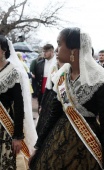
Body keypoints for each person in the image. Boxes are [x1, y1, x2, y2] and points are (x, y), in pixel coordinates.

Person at [29, 27, 104, 170]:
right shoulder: (62, 75)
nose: (56, 50)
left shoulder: (99, 78)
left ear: (73, 50)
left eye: (59, 44)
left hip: (85, 146)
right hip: (56, 141)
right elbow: (54, 114)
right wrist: (39, 146)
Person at [0, 35, 37, 169]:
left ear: (4, 49)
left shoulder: (13, 72)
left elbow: (19, 106)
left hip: (4, 125)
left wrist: (17, 136)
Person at [36, 59, 63, 136]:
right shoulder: (53, 67)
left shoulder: (68, 68)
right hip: (50, 98)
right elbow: (47, 87)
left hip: (61, 100)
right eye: (56, 51)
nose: (58, 53)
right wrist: (42, 104)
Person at [35, 44, 56, 112]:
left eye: (46, 51)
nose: (44, 53)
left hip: (52, 91)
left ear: (52, 52)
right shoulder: (39, 63)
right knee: (40, 111)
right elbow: (37, 78)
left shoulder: (57, 63)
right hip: (41, 91)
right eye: (43, 51)